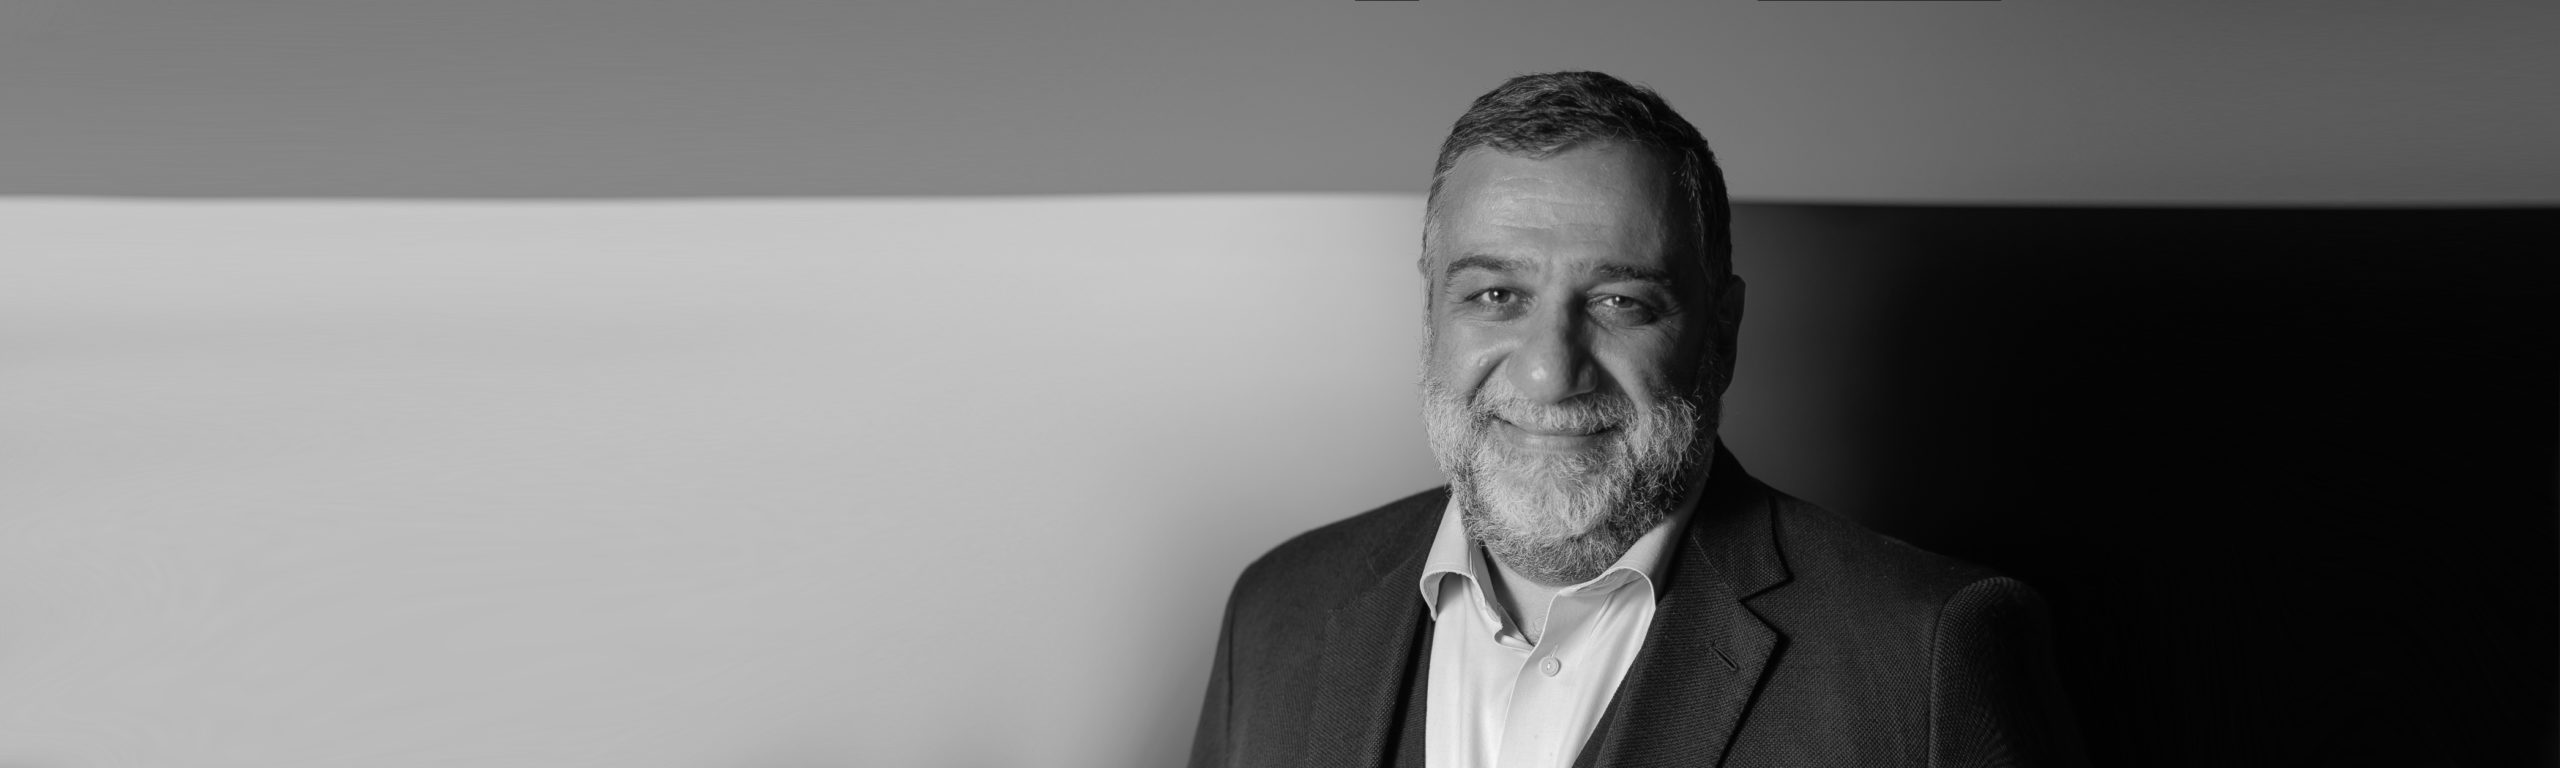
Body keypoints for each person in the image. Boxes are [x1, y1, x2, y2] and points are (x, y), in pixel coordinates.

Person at [1186, 71, 2085, 768]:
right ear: (1431, 319)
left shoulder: (1929, 654)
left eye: (1619, 301)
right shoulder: (1277, 613)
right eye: (1495, 295)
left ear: (1720, 333)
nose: (1550, 372)